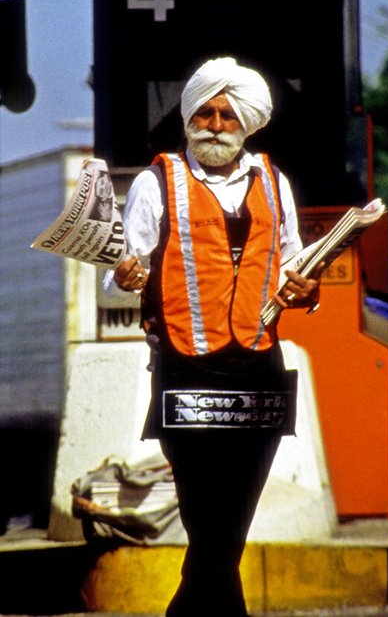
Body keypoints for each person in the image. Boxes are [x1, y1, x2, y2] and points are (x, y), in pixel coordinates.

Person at [103, 56, 322, 617]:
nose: (216, 124)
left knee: (231, 521)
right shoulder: (158, 182)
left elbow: (294, 259)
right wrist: (126, 276)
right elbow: (128, 263)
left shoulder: (275, 181)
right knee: (207, 517)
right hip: (185, 369)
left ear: (247, 123)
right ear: (187, 117)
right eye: (205, 112)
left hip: (258, 367)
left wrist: (305, 285)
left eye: (227, 115)